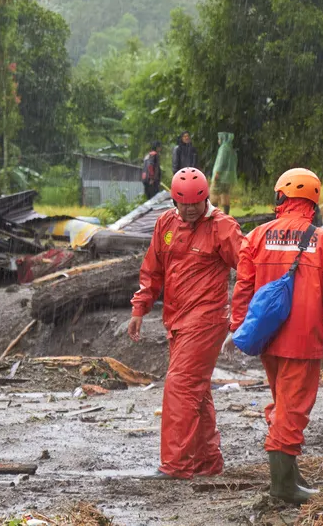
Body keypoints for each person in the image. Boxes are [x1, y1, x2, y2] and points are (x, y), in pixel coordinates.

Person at [228, 168, 323, 504]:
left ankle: (290, 475)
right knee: (293, 410)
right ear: (313, 202)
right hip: (303, 341)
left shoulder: (256, 236)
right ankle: (283, 486)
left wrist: (236, 329)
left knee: (283, 405)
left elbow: (242, 289)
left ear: (280, 197)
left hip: (268, 340)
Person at [128, 167, 243, 478]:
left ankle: (176, 466)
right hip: (176, 321)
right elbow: (153, 269)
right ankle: (207, 462)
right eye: (185, 204)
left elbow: (249, 269)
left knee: (179, 387)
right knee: (197, 391)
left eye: (197, 203)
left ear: (205, 198)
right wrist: (140, 307)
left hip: (206, 320)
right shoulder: (166, 223)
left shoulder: (223, 227)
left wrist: (243, 317)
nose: (191, 209)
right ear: (174, 202)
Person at [211, 132, 237, 215]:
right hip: (229, 177)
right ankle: (226, 214)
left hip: (221, 176)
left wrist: (217, 173)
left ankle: (213, 214)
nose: (218, 140)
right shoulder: (230, 148)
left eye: (219, 138)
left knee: (214, 193)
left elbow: (221, 162)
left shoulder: (223, 148)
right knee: (225, 194)